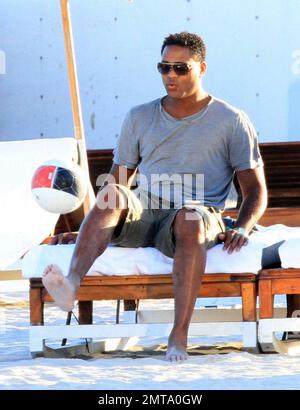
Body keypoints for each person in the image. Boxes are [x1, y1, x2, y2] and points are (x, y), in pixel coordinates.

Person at [42, 32, 268, 362]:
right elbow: (117, 185)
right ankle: (71, 285)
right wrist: (89, 231)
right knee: (113, 194)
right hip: (147, 207)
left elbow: (256, 190)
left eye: (180, 67)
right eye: (164, 67)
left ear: (201, 68)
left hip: (197, 212)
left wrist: (243, 227)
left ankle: (179, 334)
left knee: (188, 218)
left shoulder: (231, 120)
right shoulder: (139, 116)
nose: (170, 75)